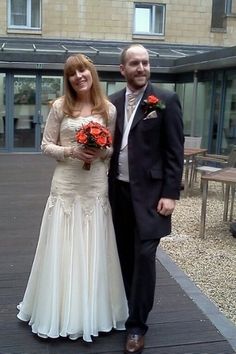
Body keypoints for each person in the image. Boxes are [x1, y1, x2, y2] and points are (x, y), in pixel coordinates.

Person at [17, 54, 128, 342]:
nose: (79, 76)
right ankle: (57, 309)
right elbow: (45, 145)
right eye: (72, 73)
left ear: (92, 73)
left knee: (93, 244)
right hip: (66, 183)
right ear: (67, 79)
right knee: (62, 244)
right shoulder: (59, 107)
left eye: (83, 70)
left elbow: (111, 150)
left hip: (94, 185)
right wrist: (71, 152)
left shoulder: (109, 110)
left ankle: (92, 310)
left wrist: (98, 151)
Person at [108, 44, 184, 354]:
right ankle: (127, 307)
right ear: (122, 69)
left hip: (152, 198)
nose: (141, 68)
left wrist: (170, 193)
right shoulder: (111, 103)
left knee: (143, 258)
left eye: (146, 63)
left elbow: (174, 150)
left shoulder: (165, 100)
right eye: (135, 63)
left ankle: (137, 326)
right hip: (117, 194)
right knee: (124, 256)